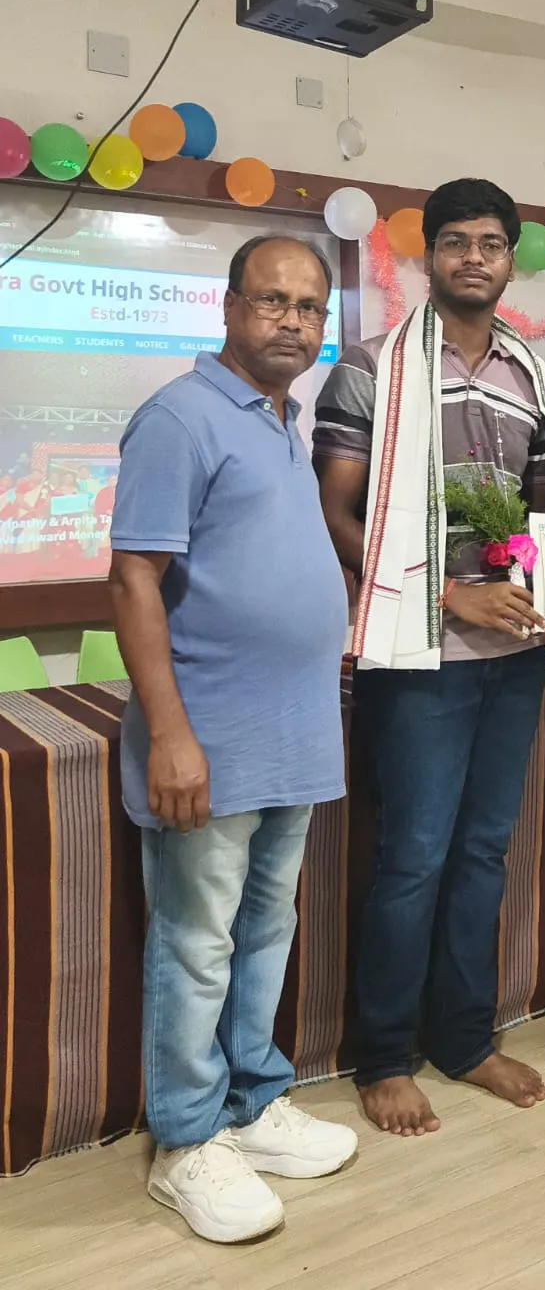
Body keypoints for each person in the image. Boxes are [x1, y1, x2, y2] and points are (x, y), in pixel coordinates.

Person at [314, 177, 545, 1138]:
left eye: (490, 243)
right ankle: (383, 1057)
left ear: (510, 259)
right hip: (417, 649)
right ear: (427, 257)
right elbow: (336, 512)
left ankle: (466, 1039)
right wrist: (446, 592)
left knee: (483, 852)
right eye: (455, 242)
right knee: (414, 858)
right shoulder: (371, 367)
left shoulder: (535, 377)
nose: (473, 257)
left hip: (510, 654)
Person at [108, 236, 357, 1244]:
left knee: (264, 932)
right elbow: (132, 579)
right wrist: (169, 734)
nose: (292, 320)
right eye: (272, 300)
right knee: (197, 941)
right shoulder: (180, 417)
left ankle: (252, 1103)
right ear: (228, 305)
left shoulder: (282, 421)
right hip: (207, 738)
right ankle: (184, 1140)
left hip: (291, 734)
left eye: (309, 307)